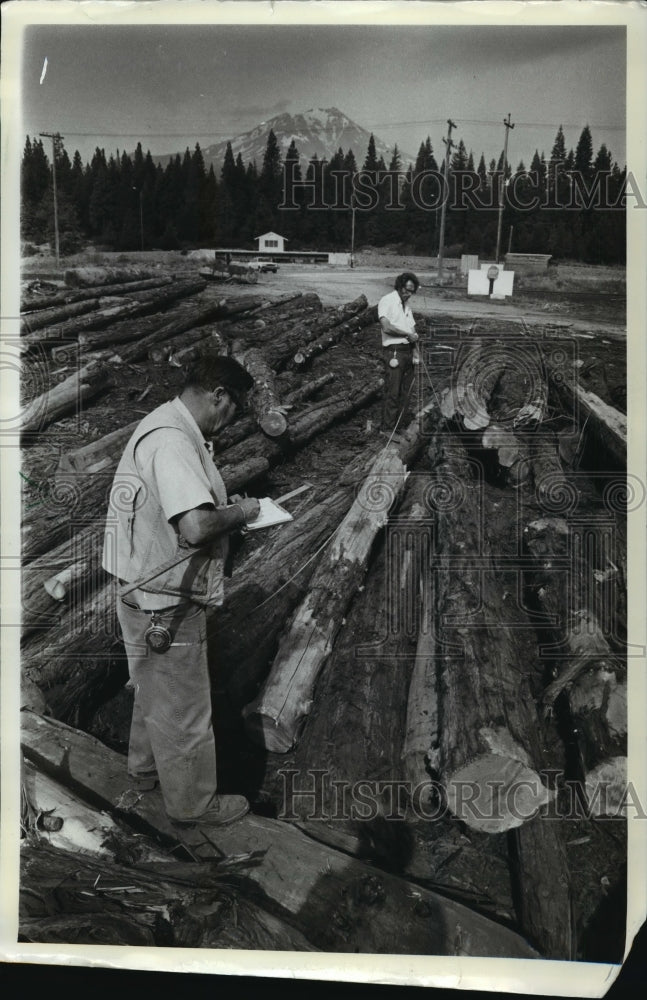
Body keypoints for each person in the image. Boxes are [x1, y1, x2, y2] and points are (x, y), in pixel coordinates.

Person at [102, 352, 261, 831]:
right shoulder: (173, 442)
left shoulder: (162, 421)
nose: (231, 422)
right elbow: (194, 526)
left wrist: (222, 509)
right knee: (188, 708)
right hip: (165, 603)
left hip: (137, 589)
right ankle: (192, 805)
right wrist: (244, 512)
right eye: (233, 409)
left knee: (151, 688)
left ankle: (145, 770)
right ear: (218, 397)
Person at [377, 272, 421, 435]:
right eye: (407, 289)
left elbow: (413, 331)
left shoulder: (407, 307)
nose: (408, 294)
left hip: (408, 351)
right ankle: (386, 428)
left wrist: (416, 352)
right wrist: (406, 335)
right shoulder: (387, 301)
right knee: (393, 391)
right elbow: (386, 327)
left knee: (406, 392)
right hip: (394, 351)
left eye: (411, 291)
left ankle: (398, 426)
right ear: (400, 286)